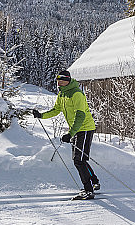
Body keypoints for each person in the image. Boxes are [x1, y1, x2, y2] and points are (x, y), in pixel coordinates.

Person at [33, 70, 99, 200]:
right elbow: (56, 110)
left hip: (84, 128)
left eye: (62, 80)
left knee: (78, 161)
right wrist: (41, 115)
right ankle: (94, 181)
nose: (60, 82)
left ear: (68, 80)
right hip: (75, 129)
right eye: (58, 80)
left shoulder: (76, 94)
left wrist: (71, 133)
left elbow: (80, 116)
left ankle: (88, 190)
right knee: (80, 159)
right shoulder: (62, 94)